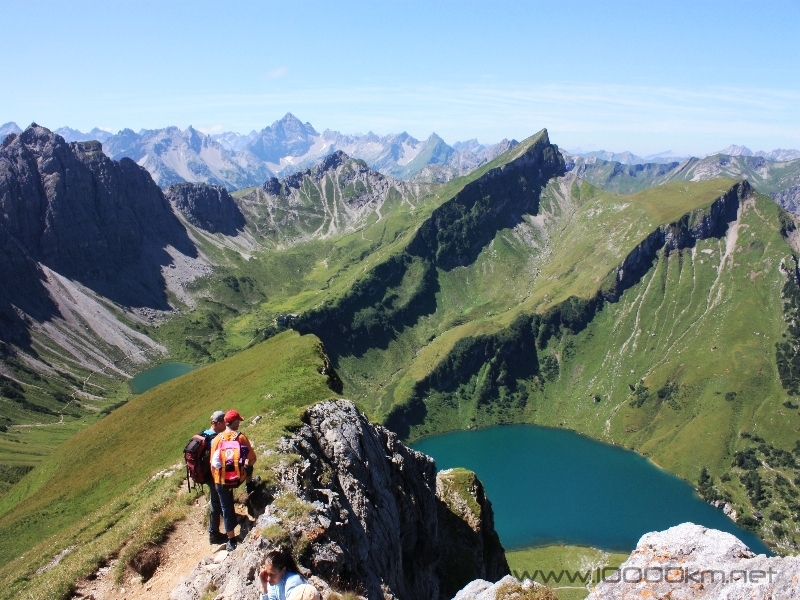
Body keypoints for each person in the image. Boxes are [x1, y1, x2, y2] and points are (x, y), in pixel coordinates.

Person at [209, 409, 257, 551]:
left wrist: (218, 479)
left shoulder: (217, 439)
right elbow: (253, 458)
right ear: (234, 422)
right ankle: (249, 486)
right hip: (239, 478)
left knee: (226, 507)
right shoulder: (241, 438)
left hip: (221, 480)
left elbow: (213, 463)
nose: (239, 423)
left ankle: (231, 540)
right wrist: (245, 466)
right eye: (238, 421)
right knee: (249, 466)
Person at [204, 410, 227, 545]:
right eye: (224, 423)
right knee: (215, 502)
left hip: (206, 474)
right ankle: (214, 534)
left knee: (216, 500)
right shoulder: (214, 440)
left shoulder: (206, 433)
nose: (226, 425)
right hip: (213, 475)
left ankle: (226, 516)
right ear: (218, 423)